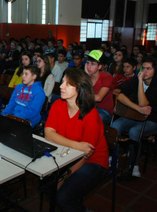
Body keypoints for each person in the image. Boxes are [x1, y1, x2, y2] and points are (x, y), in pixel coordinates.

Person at [44, 68, 109, 211]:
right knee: (45, 186)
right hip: (69, 154)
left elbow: (86, 155)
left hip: (94, 162)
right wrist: (77, 145)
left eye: (67, 84)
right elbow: (48, 134)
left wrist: (63, 178)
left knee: (63, 197)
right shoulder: (58, 105)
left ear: (79, 88)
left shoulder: (91, 115)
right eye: (62, 82)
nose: (61, 86)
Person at [111, 56, 157, 177]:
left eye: (148, 69)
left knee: (134, 132)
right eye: (143, 68)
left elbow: (143, 103)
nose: (144, 72)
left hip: (152, 121)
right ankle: (113, 158)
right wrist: (137, 108)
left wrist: (140, 82)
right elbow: (121, 95)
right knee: (115, 125)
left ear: (155, 70)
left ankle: (133, 165)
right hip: (134, 116)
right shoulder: (136, 79)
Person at [85, 50, 113, 125]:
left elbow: (99, 98)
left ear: (100, 66)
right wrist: (85, 77)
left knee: (92, 119)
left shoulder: (107, 77)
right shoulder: (85, 77)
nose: (89, 66)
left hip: (104, 111)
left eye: (93, 64)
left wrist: (80, 94)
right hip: (88, 108)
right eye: (87, 63)